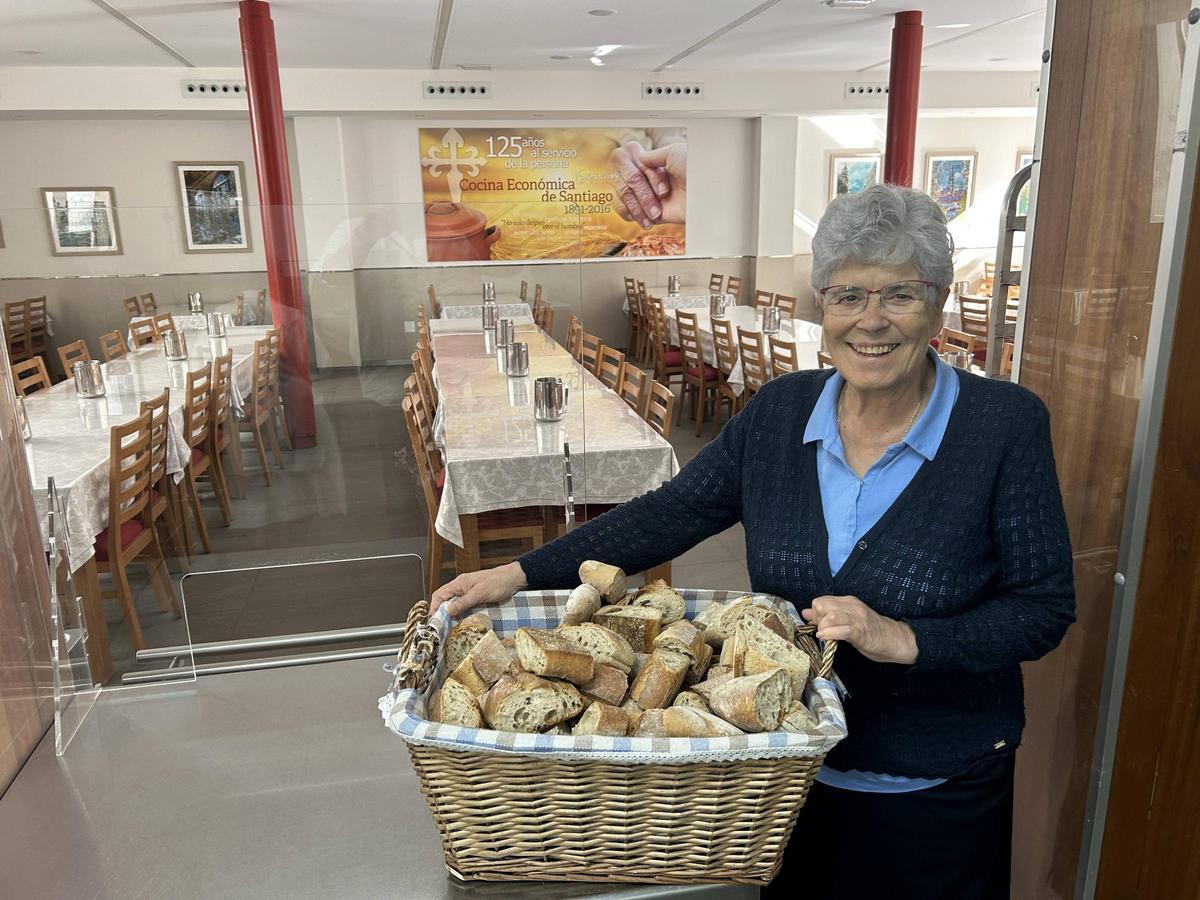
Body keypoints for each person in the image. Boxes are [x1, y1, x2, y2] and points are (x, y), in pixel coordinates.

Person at [431, 184, 1075, 900]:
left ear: (939, 303)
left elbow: (1041, 608)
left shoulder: (1003, 426)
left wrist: (903, 638)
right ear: (821, 305)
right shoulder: (780, 413)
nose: (872, 321)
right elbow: (670, 512)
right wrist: (519, 573)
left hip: (934, 781)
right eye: (848, 296)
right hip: (781, 780)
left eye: (900, 294)